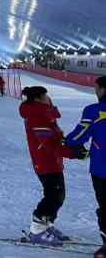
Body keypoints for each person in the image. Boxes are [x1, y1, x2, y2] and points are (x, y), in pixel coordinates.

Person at [21, 86, 78, 247]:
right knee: (54, 195)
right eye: (46, 96)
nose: (49, 99)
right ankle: (37, 230)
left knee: (58, 194)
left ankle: (46, 225)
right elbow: (49, 143)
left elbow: (55, 137)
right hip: (45, 161)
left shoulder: (44, 114)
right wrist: (72, 152)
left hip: (52, 160)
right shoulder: (37, 115)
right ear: (38, 98)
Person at [65, 76, 106, 257]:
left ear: (103, 89)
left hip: (102, 168)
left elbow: (78, 136)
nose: (95, 92)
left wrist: (67, 141)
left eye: (96, 88)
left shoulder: (95, 111)